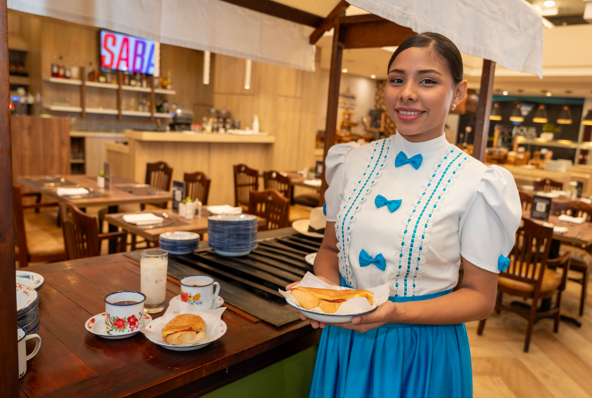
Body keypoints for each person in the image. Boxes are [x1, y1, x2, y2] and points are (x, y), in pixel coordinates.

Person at [287, 33, 522, 398]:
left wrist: (394, 313)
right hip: (346, 337)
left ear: (458, 93)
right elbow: (329, 250)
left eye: (427, 81)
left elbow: (480, 297)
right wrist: (325, 295)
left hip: (421, 349)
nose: (407, 92)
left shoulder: (479, 182)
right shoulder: (350, 160)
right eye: (397, 79)